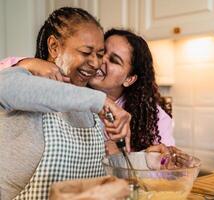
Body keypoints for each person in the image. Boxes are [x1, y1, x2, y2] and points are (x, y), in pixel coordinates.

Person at [0, 7, 131, 200]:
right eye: (86, 52)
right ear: (54, 46)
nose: (95, 63)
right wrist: (100, 101)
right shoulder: (22, 79)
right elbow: (5, 87)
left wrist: (133, 160)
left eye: (99, 53)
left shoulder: (90, 107)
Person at [0, 29, 175, 153]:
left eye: (114, 60)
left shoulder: (155, 118)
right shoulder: (69, 84)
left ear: (129, 79)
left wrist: (127, 155)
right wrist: (28, 63)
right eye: (101, 52)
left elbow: (162, 177)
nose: (98, 61)